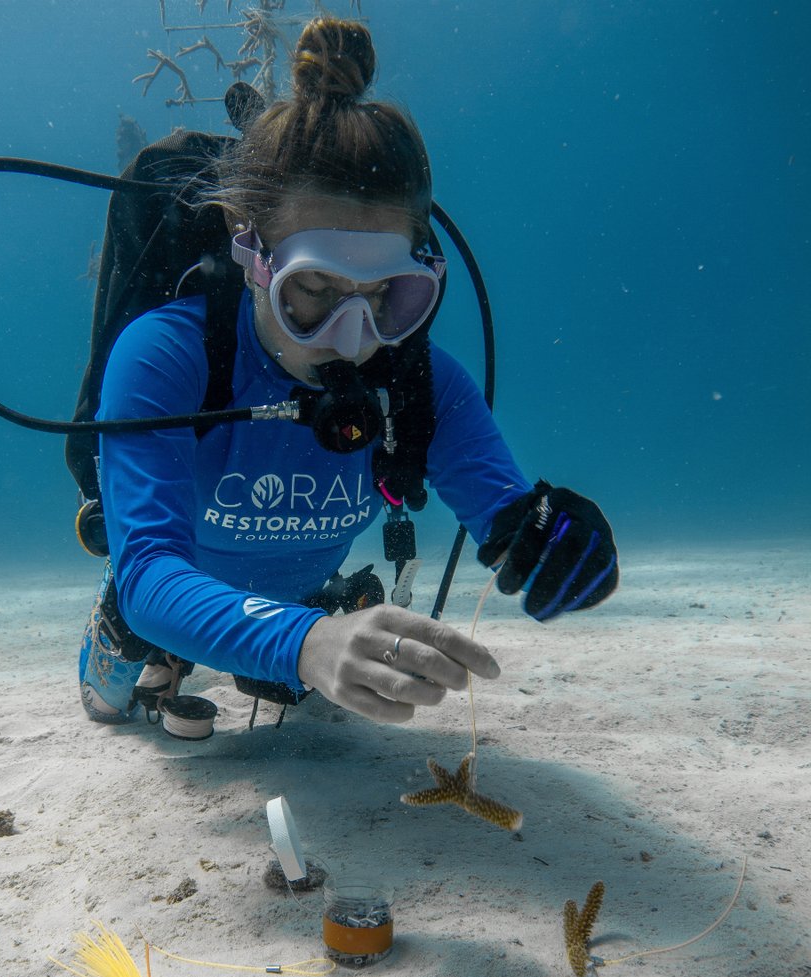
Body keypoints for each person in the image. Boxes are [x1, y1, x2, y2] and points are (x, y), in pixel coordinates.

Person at [79, 17, 618, 733]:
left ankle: (279, 644)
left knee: (300, 688)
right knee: (111, 703)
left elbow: (510, 521)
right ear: (254, 256)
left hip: (299, 606)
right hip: (174, 602)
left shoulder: (425, 387)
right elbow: (150, 572)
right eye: (316, 289)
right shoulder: (166, 357)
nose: (354, 336)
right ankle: (150, 653)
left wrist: (560, 551)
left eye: (384, 294)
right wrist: (306, 643)